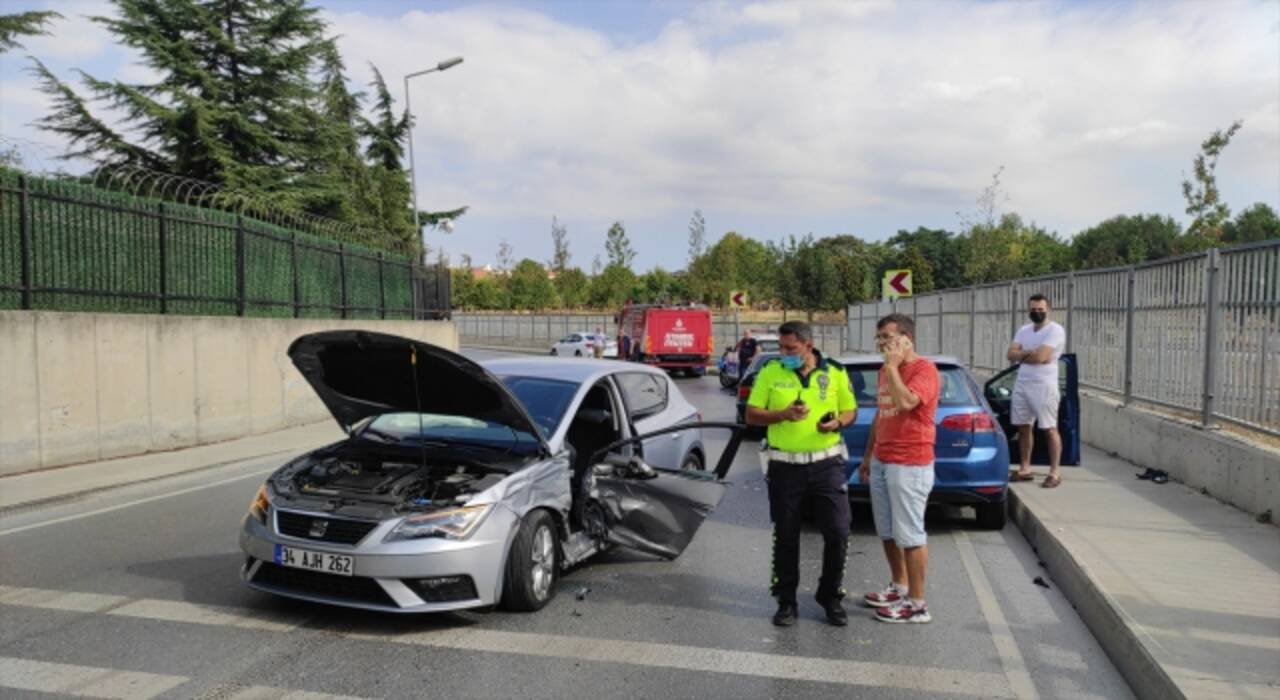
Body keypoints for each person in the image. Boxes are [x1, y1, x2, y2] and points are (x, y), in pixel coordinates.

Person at [746, 321, 858, 627]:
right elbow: (752, 414)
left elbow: (850, 411)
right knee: (786, 534)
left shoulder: (834, 371)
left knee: (838, 530)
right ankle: (786, 600)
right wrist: (783, 414)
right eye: (781, 348)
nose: (784, 354)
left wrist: (836, 423)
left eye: (790, 349)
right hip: (785, 466)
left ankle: (830, 595)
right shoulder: (771, 371)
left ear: (808, 346)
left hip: (826, 465)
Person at [860, 313, 939, 624]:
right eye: (879, 339)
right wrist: (869, 456)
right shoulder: (884, 371)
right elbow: (883, 415)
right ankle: (899, 585)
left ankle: (917, 604)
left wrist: (893, 368)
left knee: (910, 534)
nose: (882, 345)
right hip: (883, 458)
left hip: (911, 462)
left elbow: (906, 402)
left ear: (907, 339)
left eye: (888, 339)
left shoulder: (924, 370)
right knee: (888, 530)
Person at [1007, 294, 1067, 488]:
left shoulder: (1055, 330)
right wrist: (1028, 354)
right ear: (1029, 310)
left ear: (1048, 309)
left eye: (1041, 309)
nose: (1037, 312)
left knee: (1049, 428)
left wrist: (1022, 354)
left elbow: (1042, 357)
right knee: (1023, 427)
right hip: (1023, 383)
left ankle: (1054, 472)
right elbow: (1010, 354)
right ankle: (1025, 468)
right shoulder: (1024, 330)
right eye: (1033, 309)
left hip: (1044, 385)